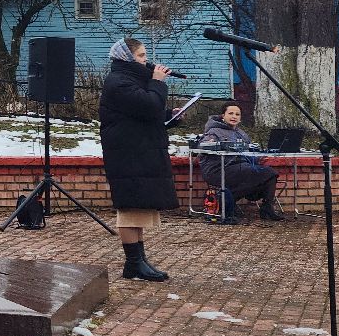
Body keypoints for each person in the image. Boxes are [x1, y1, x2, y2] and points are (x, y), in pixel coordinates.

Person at [98, 37, 181, 281]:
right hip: (128, 154)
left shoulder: (130, 80)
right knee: (130, 207)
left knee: (139, 205)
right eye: (142, 56)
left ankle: (139, 261)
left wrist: (169, 116)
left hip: (138, 151)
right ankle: (133, 263)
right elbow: (147, 105)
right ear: (127, 58)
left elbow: (144, 113)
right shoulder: (118, 82)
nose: (147, 61)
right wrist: (157, 83)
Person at [195, 102, 289, 223]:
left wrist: (258, 158)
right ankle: (226, 201)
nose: (234, 116)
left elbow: (248, 153)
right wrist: (215, 145)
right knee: (261, 172)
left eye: (237, 114)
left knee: (270, 175)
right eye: (230, 113)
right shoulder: (213, 132)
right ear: (223, 115)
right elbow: (203, 147)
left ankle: (267, 208)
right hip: (219, 169)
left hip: (241, 167)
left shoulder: (242, 133)